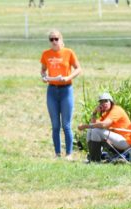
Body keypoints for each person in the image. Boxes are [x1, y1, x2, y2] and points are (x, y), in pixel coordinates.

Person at [40, 30, 82, 160]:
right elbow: (43, 70)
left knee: (66, 124)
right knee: (55, 125)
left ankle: (69, 153)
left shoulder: (68, 52)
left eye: (56, 39)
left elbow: (78, 69)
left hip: (66, 89)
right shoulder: (46, 54)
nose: (54, 42)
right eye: (51, 39)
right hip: (52, 90)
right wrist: (44, 77)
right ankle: (57, 153)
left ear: (61, 39)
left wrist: (68, 77)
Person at [77, 93, 131, 162]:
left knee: (95, 130)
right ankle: (93, 158)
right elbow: (93, 123)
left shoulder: (116, 110)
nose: (104, 103)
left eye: (106, 101)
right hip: (118, 139)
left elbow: (104, 125)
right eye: (101, 102)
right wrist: (95, 112)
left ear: (111, 102)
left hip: (125, 141)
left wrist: (85, 126)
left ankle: (95, 160)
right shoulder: (106, 113)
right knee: (92, 129)